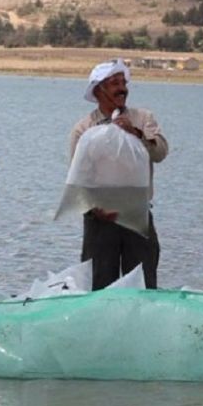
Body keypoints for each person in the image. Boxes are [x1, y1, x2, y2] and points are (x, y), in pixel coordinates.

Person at [68, 58, 168, 290]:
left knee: (143, 284)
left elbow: (161, 152)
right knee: (99, 285)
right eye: (115, 83)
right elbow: (78, 181)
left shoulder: (143, 119)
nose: (122, 88)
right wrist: (97, 209)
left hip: (137, 215)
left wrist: (134, 133)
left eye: (124, 82)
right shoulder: (84, 129)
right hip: (100, 223)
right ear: (98, 90)